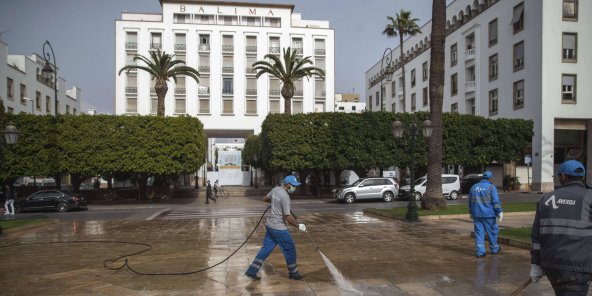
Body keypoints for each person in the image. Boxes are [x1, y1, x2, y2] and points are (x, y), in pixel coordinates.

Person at [530, 160, 592, 295]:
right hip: (578, 268)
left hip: (551, 265)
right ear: (582, 177)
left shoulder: (546, 198)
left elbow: (536, 235)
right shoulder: (589, 196)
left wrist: (535, 263)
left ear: (563, 176)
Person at [245, 175, 307, 281]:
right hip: (278, 228)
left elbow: (265, 199)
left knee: (266, 248)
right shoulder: (285, 197)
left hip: (270, 225)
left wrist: (275, 203)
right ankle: (293, 273)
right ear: (287, 184)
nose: (294, 188)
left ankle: (252, 271)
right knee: (290, 248)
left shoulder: (275, 189)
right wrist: (298, 225)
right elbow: (288, 216)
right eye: (293, 185)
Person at [468, 171, 503, 257]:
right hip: (489, 214)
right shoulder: (491, 187)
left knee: (479, 233)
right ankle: (494, 248)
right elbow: (495, 202)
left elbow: (470, 202)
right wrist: (499, 211)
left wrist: (471, 212)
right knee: (492, 232)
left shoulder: (473, 187)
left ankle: (480, 251)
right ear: (490, 179)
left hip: (476, 214)